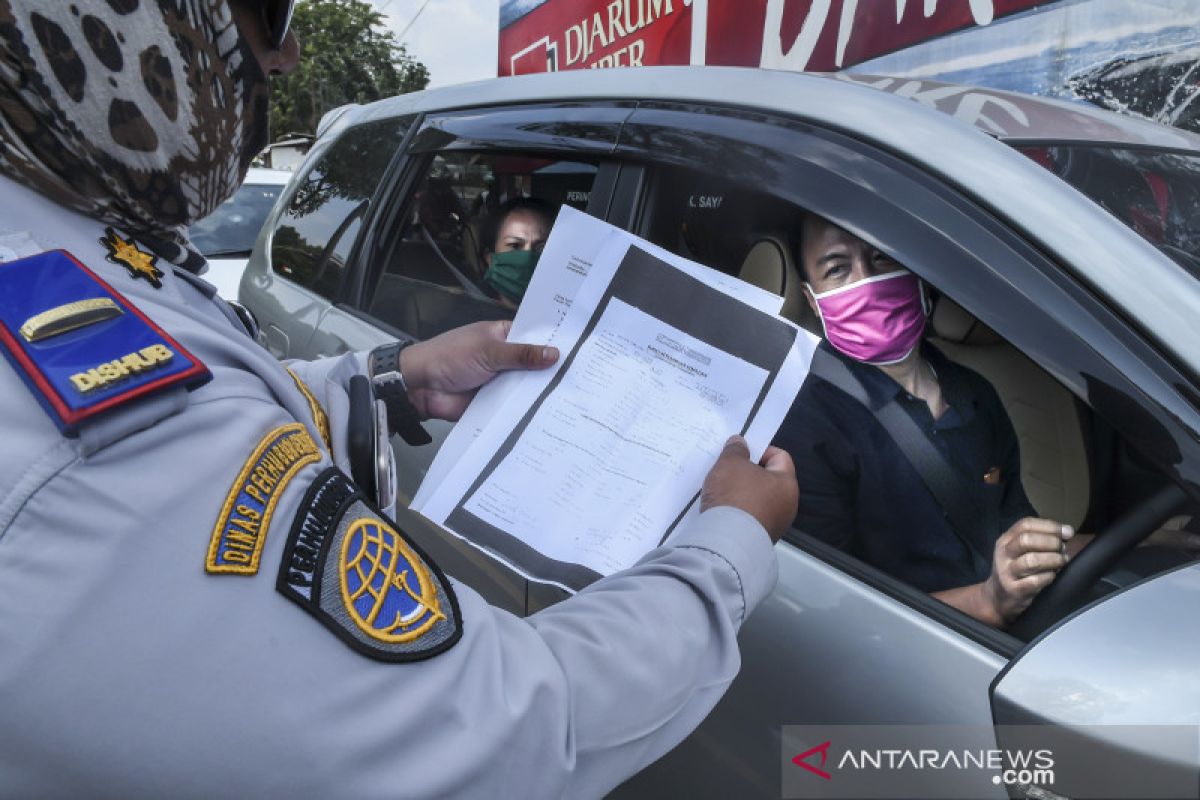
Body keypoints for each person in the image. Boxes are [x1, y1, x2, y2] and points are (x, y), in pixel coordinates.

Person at [0, 2, 798, 796]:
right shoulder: (90, 437)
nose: (287, 55)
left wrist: (392, 380)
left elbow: (222, 401)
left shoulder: (61, 238)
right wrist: (730, 546)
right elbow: (497, 734)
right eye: (265, 13)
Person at [478, 196, 556, 307]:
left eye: (542, 248)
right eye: (515, 245)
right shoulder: (470, 318)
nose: (527, 257)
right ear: (489, 258)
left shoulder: (575, 319)